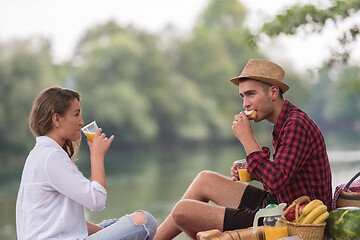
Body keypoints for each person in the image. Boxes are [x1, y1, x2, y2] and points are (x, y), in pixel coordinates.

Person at [154, 59, 332, 239]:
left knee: (182, 211)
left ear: (273, 92)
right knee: (204, 180)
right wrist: (253, 173)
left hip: (290, 218)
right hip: (276, 204)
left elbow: (276, 181)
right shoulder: (283, 123)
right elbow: (283, 176)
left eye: (251, 94)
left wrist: (247, 138)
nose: (245, 104)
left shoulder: (296, 124)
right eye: (243, 96)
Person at [16, 87, 157, 240]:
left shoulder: (40, 153)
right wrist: (97, 155)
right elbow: (97, 201)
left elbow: (68, 223)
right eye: (76, 115)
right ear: (56, 119)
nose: (81, 122)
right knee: (144, 222)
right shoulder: (51, 156)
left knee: (120, 223)